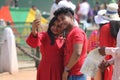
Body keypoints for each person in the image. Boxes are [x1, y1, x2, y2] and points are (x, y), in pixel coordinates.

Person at [54, 7, 87, 80]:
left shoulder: (77, 32)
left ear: (71, 17)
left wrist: (66, 70)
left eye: (63, 19)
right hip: (73, 74)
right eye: (59, 20)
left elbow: (77, 53)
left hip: (77, 75)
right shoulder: (70, 33)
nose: (61, 22)